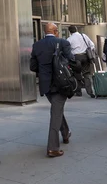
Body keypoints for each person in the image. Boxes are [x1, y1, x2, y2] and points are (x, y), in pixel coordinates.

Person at [30, 22, 74, 157]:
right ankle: (53, 148)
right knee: (56, 113)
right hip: (62, 84)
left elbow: (33, 66)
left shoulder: (37, 45)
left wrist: (44, 72)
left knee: (57, 109)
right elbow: (71, 60)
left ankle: (65, 133)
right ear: (55, 31)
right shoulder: (63, 43)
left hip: (46, 85)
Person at [67, 25, 96, 98]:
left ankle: (78, 91)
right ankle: (90, 92)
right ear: (76, 29)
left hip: (76, 58)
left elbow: (68, 50)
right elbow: (92, 45)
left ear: (69, 31)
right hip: (85, 56)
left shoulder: (69, 39)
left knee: (77, 74)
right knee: (87, 74)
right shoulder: (84, 36)